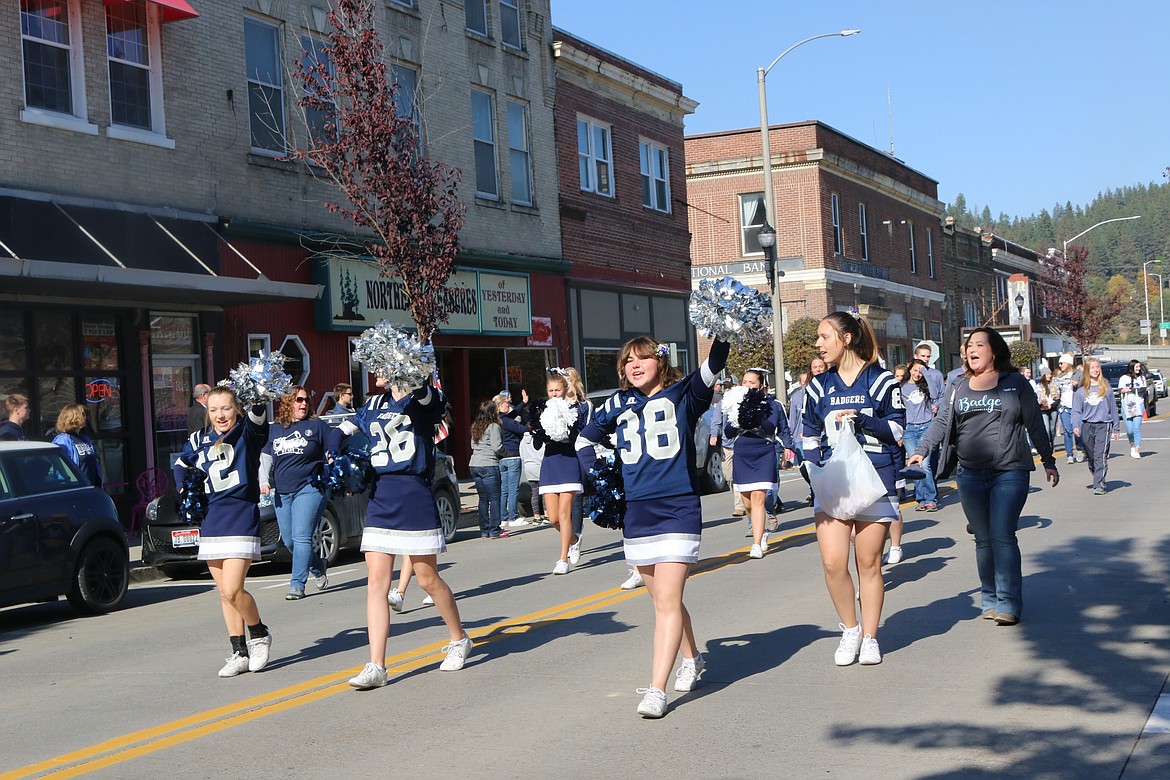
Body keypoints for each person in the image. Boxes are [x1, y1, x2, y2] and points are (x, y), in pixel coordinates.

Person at [576, 335, 729, 718]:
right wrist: (598, 476)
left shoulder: (684, 394)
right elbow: (585, 439)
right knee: (664, 599)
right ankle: (692, 656)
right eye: (628, 360)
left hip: (677, 507)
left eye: (642, 357)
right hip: (638, 511)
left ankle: (657, 690)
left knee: (666, 602)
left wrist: (721, 333)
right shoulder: (616, 403)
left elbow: (714, 364)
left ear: (660, 361)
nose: (635, 364)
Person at [327, 376, 472, 690]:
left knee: (427, 580)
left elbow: (432, 402)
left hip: (414, 495)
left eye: (384, 366)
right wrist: (333, 451)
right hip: (381, 497)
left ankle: (459, 639)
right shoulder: (375, 403)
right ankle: (377, 665)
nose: (377, 373)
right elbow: (344, 428)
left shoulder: (421, 396)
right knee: (376, 584)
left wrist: (415, 377)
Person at [909, 328, 1059, 626]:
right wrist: (922, 450)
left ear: (994, 351)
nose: (972, 349)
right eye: (969, 345)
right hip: (969, 473)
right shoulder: (959, 385)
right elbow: (942, 422)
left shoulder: (1015, 383)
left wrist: (1048, 459)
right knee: (982, 539)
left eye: (980, 344)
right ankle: (989, 597)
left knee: (1002, 535)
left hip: (1010, 470)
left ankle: (1008, 601)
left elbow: (1034, 423)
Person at [802, 311, 905, 667]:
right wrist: (813, 467)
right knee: (832, 563)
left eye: (824, 336)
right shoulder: (818, 386)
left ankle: (871, 637)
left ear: (846, 339)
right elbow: (808, 433)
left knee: (869, 563)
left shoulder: (880, 380)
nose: (818, 344)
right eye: (818, 337)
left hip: (874, 480)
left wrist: (863, 421)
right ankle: (850, 629)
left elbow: (896, 432)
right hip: (834, 484)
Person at [174, 386, 272, 677]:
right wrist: (184, 488)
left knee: (233, 589)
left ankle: (259, 633)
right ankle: (238, 651)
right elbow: (180, 464)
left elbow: (258, 416)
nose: (220, 415)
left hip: (241, 514)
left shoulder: (247, 433)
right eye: (214, 409)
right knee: (224, 594)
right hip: (213, 518)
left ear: (236, 408)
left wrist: (259, 394)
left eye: (226, 408)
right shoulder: (198, 439)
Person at [259, 386, 330, 600]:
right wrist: (264, 481)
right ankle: (318, 566)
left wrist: (334, 462)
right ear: (289, 402)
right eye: (299, 400)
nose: (304, 404)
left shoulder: (317, 426)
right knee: (290, 541)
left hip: (310, 487)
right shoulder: (275, 429)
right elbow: (265, 458)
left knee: (301, 537)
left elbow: (332, 448)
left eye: (306, 400)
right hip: (282, 491)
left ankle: (297, 584)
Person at [724, 369, 791, 559]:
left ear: (761, 385)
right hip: (743, 452)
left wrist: (756, 411)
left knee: (759, 499)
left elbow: (771, 427)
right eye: (745, 381)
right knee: (748, 503)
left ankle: (756, 543)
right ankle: (760, 530)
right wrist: (739, 414)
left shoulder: (771, 404)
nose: (748, 385)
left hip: (763, 451)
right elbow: (728, 432)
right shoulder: (735, 403)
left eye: (752, 382)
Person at [539, 367, 589, 575]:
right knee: (553, 518)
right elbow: (535, 434)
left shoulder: (577, 408)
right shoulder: (543, 409)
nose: (554, 394)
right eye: (550, 391)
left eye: (557, 390)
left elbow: (581, 432)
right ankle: (575, 539)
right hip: (550, 462)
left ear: (565, 388)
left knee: (564, 512)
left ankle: (562, 559)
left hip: (569, 461)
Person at [1072, 359, 1119, 495]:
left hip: (1103, 425)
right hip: (1087, 425)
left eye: (1097, 367)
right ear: (1087, 370)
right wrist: (1076, 425)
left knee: (1100, 455)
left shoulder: (1106, 389)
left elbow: (1113, 409)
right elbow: (1076, 410)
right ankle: (1098, 475)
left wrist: (1116, 428)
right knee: (1091, 456)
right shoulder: (1081, 391)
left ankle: (1099, 484)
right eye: (1092, 367)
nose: (1095, 370)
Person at [900, 360, 938, 513]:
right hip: (909, 430)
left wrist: (926, 373)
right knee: (915, 466)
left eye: (920, 371)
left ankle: (930, 499)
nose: (917, 374)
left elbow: (935, 394)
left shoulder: (926, 386)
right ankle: (920, 498)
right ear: (909, 369)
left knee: (926, 465)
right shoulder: (902, 387)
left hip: (925, 427)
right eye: (915, 370)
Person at [469, 399, 506, 539]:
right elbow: (497, 447)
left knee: (483, 499)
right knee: (495, 498)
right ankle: (495, 530)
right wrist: (506, 452)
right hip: (489, 463)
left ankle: (484, 530)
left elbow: (473, 444)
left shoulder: (475, 426)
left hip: (474, 463)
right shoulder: (493, 426)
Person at [709, 376, 744, 518]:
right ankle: (740, 499)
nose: (727, 389)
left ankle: (740, 506)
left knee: (739, 475)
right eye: (725, 387)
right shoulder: (722, 404)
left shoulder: (742, 402)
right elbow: (716, 422)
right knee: (728, 475)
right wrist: (713, 435)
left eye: (730, 386)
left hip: (741, 444)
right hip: (726, 445)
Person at [496, 390, 528, 528]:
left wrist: (523, 403)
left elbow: (513, 414)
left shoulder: (498, 420)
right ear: (499, 405)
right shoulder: (507, 422)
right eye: (505, 403)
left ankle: (503, 517)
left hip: (502, 458)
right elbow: (522, 429)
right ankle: (513, 516)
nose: (508, 405)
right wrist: (532, 426)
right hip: (513, 455)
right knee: (513, 488)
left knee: (504, 489)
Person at [53, 404, 102, 488]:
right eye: (83, 415)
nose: (86, 418)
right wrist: (69, 481)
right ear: (73, 418)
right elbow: (59, 464)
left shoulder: (84, 439)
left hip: (91, 486)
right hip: (75, 488)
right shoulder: (63, 440)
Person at [1054, 354, 1083, 464]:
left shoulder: (1078, 374)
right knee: (1067, 431)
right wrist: (1056, 395)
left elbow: (1085, 386)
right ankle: (1069, 454)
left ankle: (1079, 449)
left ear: (1068, 363)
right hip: (1064, 406)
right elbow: (1057, 390)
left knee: (1077, 430)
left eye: (1062, 363)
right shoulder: (1060, 376)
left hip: (1077, 407)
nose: (1060, 365)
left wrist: (1077, 384)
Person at [1118, 359, 1148, 459]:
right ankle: (1132, 445)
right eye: (1137, 367)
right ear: (1132, 367)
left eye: (1139, 367)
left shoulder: (1142, 378)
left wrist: (1131, 389)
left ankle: (1137, 450)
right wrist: (1124, 390)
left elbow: (1143, 390)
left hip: (1138, 405)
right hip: (1127, 406)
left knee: (1136, 428)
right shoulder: (1124, 378)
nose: (1139, 369)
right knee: (1130, 430)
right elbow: (1120, 390)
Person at [519, 429, 546, 525]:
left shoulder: (523, 440)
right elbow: (543, 452)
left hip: (529, 467)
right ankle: (547, 514)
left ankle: (536, 516)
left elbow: (522, 455)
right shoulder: (539, 439)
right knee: (544, 492)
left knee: (534, 492)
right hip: (539, 465)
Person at [913, 342, 945, 412]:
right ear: (915, 356)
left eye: (928, 356)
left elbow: (942, 395)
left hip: (931, 414)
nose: (926, 359)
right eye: (923, 356)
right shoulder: (910, 373)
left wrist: (937, 405)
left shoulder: (936, 374)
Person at [1036, 368, 1060, 449]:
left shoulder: (1055, 384)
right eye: (1047, 374)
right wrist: (1041, 403)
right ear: (1043, 375)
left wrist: (1052, 405)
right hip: (1043, 409)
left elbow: (1058, 397)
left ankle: (1051, 442)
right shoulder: (1039, 385)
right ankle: (1048, 445)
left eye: (1050, 374)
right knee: (1046, 428)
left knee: (1052, 429)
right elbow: (1038, 398)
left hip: (1053, 408)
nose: (1049, 376)